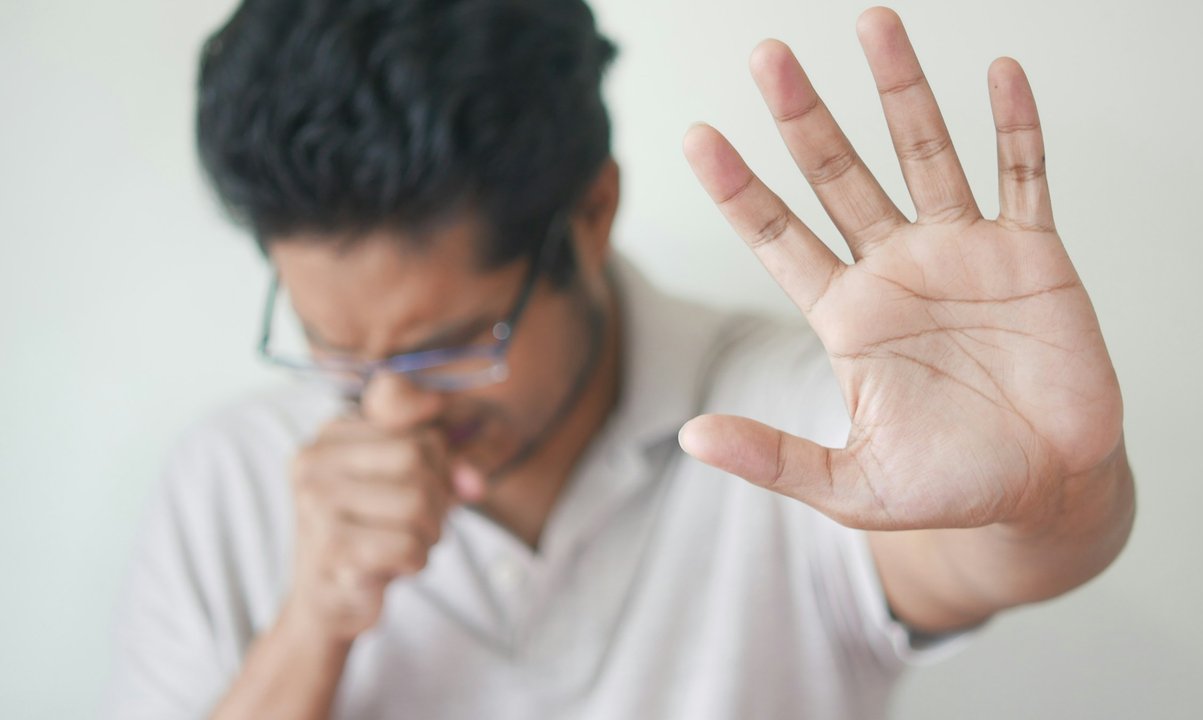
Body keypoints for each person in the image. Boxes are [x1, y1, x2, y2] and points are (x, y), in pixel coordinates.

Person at [106, 0, 1135, 718]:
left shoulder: (791, 413)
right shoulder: (228, 479)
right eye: (332, 350)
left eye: (451, 348)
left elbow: (980, 553)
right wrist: (310, 629)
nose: (390, 410)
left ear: (591, 215)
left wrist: (1048, 492)